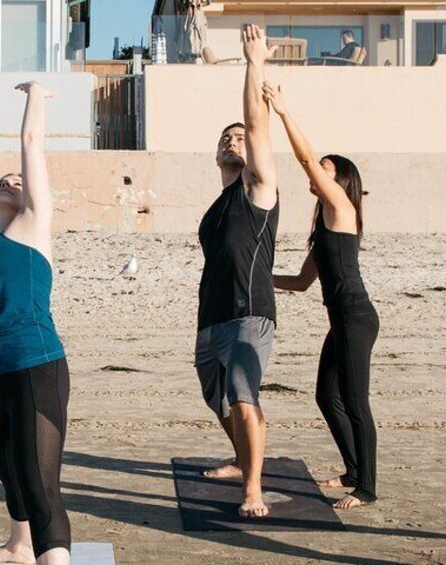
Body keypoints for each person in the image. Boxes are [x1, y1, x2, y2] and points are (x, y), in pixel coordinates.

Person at [0, 81, 70, 565]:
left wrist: (35, 96)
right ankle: (17, 547)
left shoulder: (33, 228)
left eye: (17, 180)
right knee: (10, 473)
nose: (10, 182)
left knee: (41, 484)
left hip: (35, 366)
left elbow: (31, 145)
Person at [264, 80, 379, 510]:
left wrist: (282, 112)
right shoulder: (324, 229)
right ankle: (352, 469)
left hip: (356, 317)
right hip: (343, 320)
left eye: (326, 168)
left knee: (355, 401)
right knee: (325, 395)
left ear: (340, 179)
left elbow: (305, 157)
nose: (318, 171)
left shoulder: (341, 208)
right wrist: (255, 276)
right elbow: (299, 282)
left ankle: (366, 487)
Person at [195, 24, 280, 519]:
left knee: (244, 398)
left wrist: (254, 64)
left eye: (240, 138)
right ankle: (241, 458)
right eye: (226, 138)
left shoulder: (258, 190)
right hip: (211, 318)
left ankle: (253, 489)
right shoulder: (216, 206)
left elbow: (257, 122)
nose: (234, 140)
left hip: (249, 314)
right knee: (218, 401)